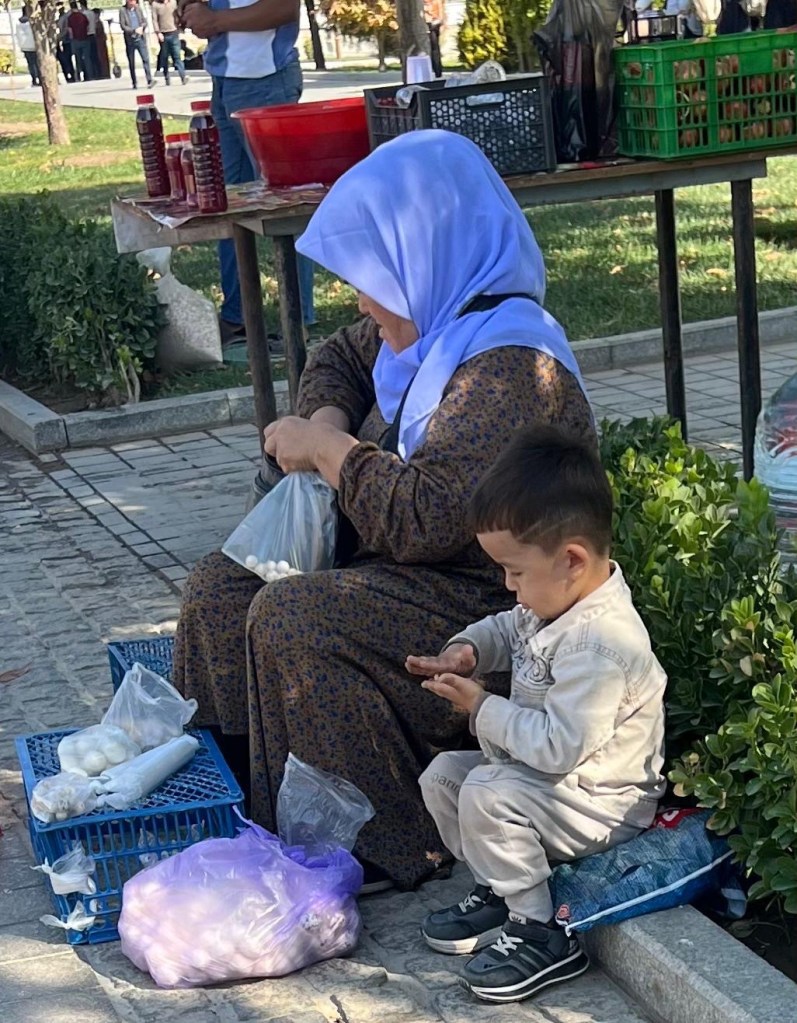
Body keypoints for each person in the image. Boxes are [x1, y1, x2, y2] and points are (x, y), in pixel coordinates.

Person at [172, 130, 596, 892]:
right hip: (399, 571)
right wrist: (327, 420)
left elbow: (425, 518)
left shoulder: (506, 369)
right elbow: (339, 355)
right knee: (219, 589)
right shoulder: (430, 312)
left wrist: (327, 453)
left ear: (427, 254)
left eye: (375, 281)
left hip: (486, 602)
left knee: (292, 616)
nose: (364, 302)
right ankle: (235, 810)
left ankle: (384, 842)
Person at [414, 427, 666, 1003]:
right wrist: (468, 651)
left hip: (603, 802)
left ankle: (541, 929)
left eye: (515, 571)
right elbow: (507, 629)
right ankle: (501, 888)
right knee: (445, 777)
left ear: (571, 560)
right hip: (552, 787)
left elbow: (557, 748)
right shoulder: (553, 603)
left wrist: (481, 705)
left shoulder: (602, 644)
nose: (509, 586)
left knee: (487, 793)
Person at [180, 0, 314, 351]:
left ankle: (296, 323)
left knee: (283, 204)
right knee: (226, 202)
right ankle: (237, 317)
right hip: (224, 80)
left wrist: (214, 20)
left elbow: (285, 8)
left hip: (266, 81)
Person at [119, 0, 154, 89]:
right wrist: (133, 30)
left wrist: (142, 27)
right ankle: (134, 82)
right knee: (131, 61)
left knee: (145, 59)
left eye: (134, 1)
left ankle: (149, 80)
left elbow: (144, 21)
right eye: (130, 1)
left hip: (140, 38)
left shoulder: (138, 9)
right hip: (130, 40)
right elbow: (123, 26)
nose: (132, 3)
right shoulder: (123, 11)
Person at [152, 0, 187, 84]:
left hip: (174, 32)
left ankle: (183, 76)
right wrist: (158, 32)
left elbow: (178, 15)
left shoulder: (173, 2)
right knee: (165, 57)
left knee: (177, 56)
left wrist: (181, 27)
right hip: (163, 34)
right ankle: (167, 78)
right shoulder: (155, 4)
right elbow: (154, 20)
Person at [16, 6, 40, 86]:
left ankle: (34, 79)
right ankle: (39, 78)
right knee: (37, 63)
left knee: (30, 64)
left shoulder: (18, 23)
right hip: (34, 45)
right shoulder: (32, 22)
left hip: (25, 46)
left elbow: (18, 35)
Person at [56, 3, 75, 81]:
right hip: (62, 42)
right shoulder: (59, 18)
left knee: (67, 59)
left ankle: (71, 75)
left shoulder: (65, 17)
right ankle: (68, 75)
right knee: (64, 60)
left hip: (66, 41)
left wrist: (59, 37)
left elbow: (65, 29)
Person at [93, 9, 111, 78]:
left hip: (100, 43)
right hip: (99, 42)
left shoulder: (98, 23)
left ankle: (104, 73)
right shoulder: (97, 22)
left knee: (102, 58)